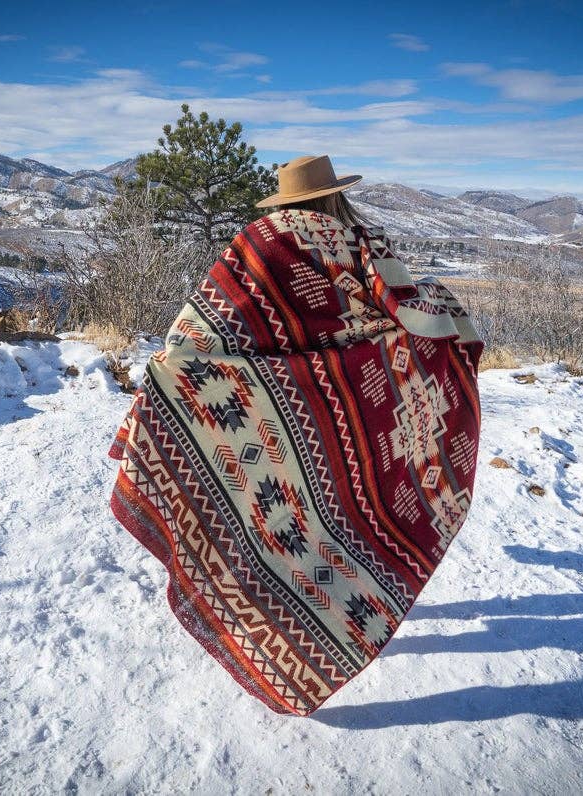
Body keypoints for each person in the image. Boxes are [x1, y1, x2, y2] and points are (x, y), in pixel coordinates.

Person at [107, 154, 484, 716]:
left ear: (285, 199)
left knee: (285, 519)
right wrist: (444, 320)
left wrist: (176, 373)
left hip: (281, 413)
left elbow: (199, 328)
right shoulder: (363, 240)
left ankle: (280, 618)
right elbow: (407, 311)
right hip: (350, 407)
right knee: (345, 513)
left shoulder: (260, 241)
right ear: (335, 193)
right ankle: (350, 603)